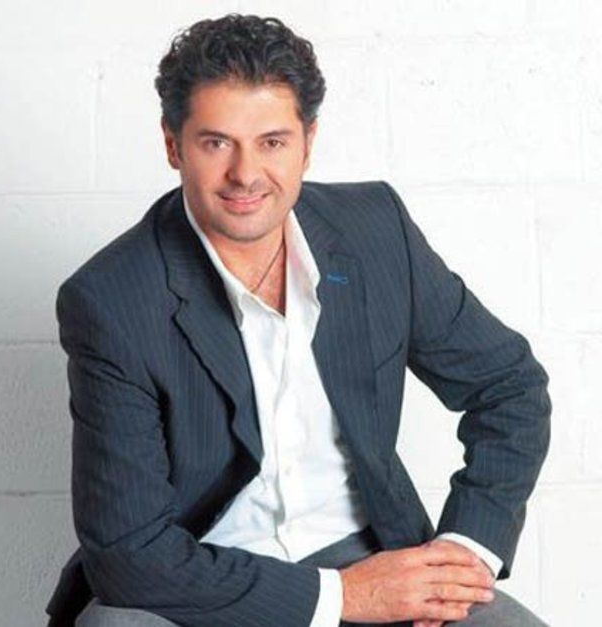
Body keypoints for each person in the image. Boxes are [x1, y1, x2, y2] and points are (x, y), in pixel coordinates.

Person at [45, 13, 551, 627]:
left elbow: (510, 387)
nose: (245, 174)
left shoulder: (374, 231)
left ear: (308, 142)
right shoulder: (111, 301)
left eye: (272, 142)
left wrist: (463, 551)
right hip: (203, 586)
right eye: (216, 143)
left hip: (372, 555)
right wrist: (345, 597)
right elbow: (130, 555)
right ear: (173, 145)